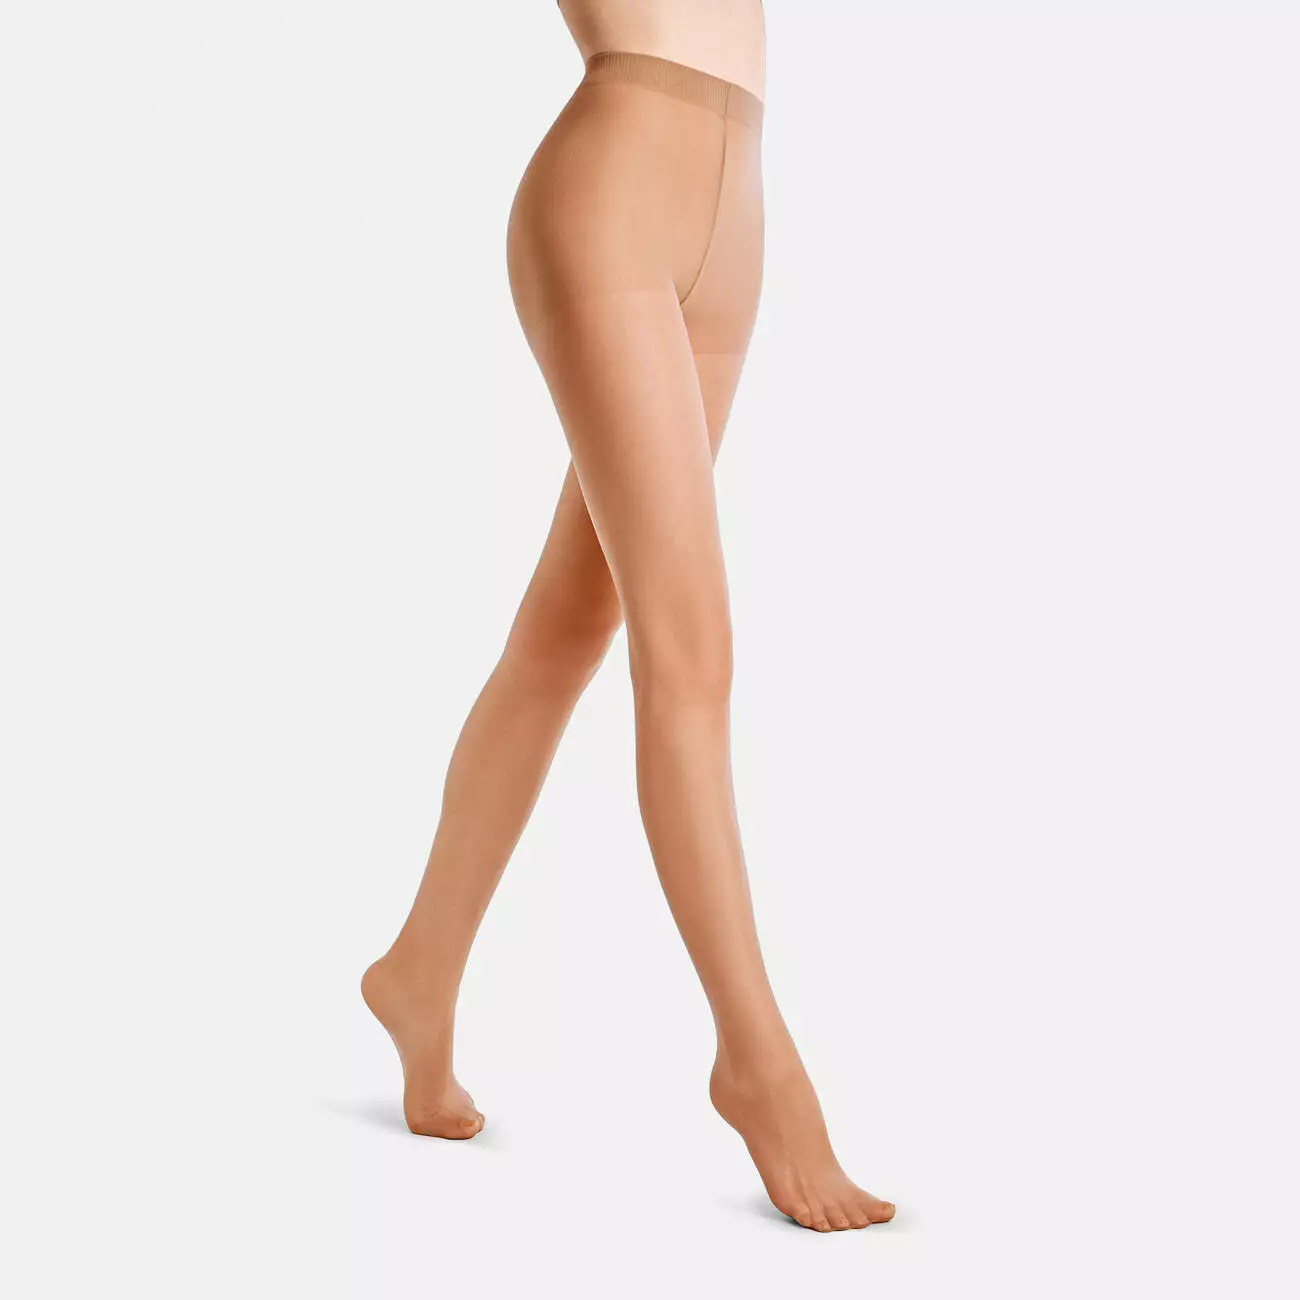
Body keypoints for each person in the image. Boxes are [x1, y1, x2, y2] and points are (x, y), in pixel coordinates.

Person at [362, 0, 895, 1233]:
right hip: (610, 192)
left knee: (567, 628)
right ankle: (757, 1063)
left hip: (734, 204)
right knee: (689, 648)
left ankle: (419, 968)